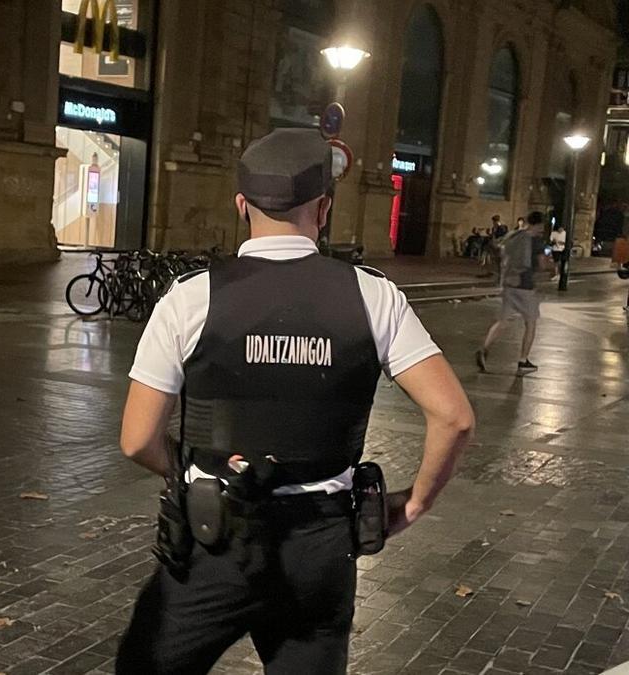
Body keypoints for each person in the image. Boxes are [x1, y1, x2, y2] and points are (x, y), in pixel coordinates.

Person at [114, 128, 475, 675]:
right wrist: (417, 501)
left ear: (242, 206)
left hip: (216, 538)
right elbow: (453, 416)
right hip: (322, 543)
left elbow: (137, 439)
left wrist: (190, 468)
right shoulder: (372, 295)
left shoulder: (192, 296)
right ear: (323, 208)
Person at [476, 211, 545, 374]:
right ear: (539, 225)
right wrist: (551, 269)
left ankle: (484, 349)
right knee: (531, 323)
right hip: (525, 285)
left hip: (508, 283)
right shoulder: (535, 240)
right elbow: (542, 264)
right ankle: (523, 360)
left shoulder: (513, 236)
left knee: (503, 320)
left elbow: (500, 251)